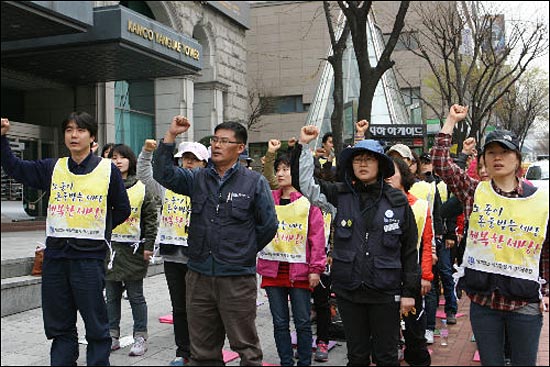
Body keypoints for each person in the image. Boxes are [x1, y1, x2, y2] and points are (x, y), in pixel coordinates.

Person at [1, 114, 131, 366]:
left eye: (81, 130)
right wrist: (2, 138)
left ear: (92, 136)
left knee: (95, 325)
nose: (74, 135)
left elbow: (122, 209)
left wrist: (97, 229)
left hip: (88, 259)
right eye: (69, 130)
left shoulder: (107, 170)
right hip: (56, 259)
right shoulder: (53, 167)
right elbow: (15, 168)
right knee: (59, 326)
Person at [152, 116, 279, 366]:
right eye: (214, 140)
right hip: (198, 275)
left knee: (247, 349)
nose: (216, 145)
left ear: (240, 148)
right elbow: (162, 173)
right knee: (202, 351)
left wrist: (243, 250)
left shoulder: (254, 182)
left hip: (236, 277)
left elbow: (269, 225)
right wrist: (170, 136)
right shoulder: (197, 178)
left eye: (224, 141)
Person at [289, 124, 419, 366]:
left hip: (386, 291)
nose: (362, 164)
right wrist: (304, 146)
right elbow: (305, 185)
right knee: (356, 356)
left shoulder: (398, 202)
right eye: (358, 159)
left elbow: (409, 252)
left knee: (386, 356)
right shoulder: (340, 195)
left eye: (369, 159)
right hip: (349, 291)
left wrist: (409, 293)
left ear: (380, 165)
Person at [433, 104, 549, 366]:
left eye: (504, 152)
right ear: (483, 159)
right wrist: (451, 120)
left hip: (524, 304)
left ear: (517, 159)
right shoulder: (475, 192)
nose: (497, 158)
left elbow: (544, 248)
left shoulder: (538, 199)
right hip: (484, 302)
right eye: (491, 152)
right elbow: (440, 164)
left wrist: (545, 290)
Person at [137, 139, 208, 366]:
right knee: (179, 308)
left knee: (200, 308)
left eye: (194, 159)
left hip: (198, 257)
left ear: (204, 164)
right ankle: (183, 352)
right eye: (185, 158)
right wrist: (147, 153)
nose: (188, 163)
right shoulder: (167, 187)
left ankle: (202, 351)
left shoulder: (209, 186)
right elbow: (145, 175)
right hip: (171, 255)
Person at [257, 145, 326, 366]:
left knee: (303, 322)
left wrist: (316, 269)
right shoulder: (269, 199)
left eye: (286, 169)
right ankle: (286, 361)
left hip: (300, 271)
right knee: (279, 322)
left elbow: (317, 237)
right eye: (278, 169)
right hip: (273, 269)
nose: (280, 173)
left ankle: (304, 362)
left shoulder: (308, 202)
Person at [105, 144, 158, 356]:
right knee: (111, 295)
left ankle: (140, 336)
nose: (117, 161)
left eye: (122, 157)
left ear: (130, 161)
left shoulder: (141, 187)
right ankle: (112, 334)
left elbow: (151, 219)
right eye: (113, 157)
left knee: (136, 295)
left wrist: (149, 246)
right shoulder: (103, 185)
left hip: (134, 251)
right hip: (109, 250)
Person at [385, 157, 433, 366]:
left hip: (411, 278)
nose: (387, 176)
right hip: (383, 278)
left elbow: (426, 243)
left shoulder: (420, 206)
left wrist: (425, 276)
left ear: (403, 175)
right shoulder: (376, 204)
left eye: (392, 171)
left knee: (414, 333)